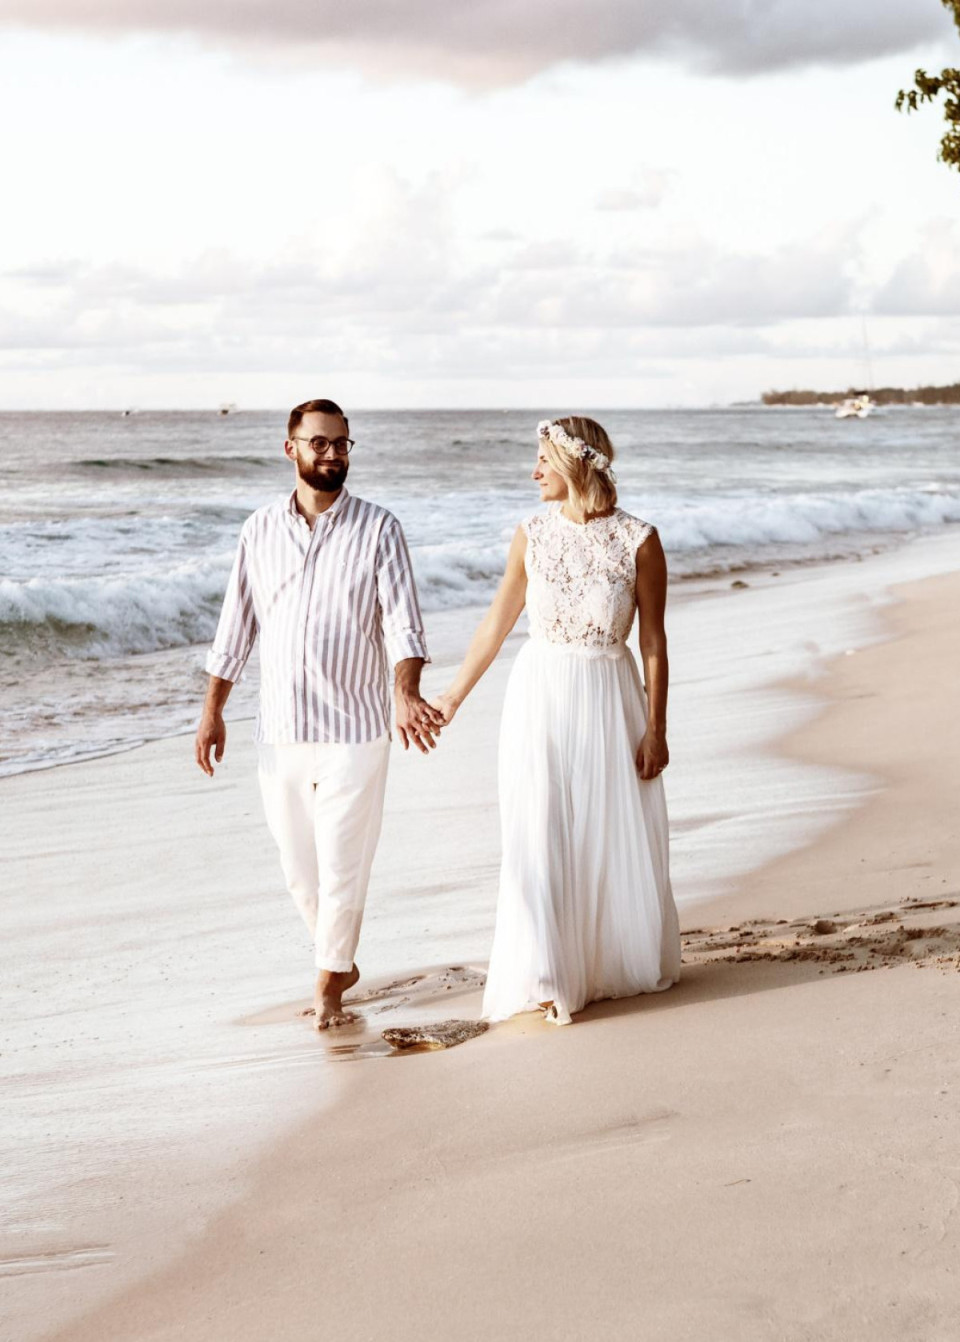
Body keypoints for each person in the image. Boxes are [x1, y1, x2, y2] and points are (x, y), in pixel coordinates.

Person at [195, 398, 443, 1029]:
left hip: (356, 730)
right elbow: (236, 629)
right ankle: (339, 956)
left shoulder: (379, 528)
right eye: (319, 444)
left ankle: (330, 980)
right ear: (292, 450)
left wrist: (406, 691)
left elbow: (403, 625)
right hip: (279, 731)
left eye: (341, 444)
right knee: (298, 871)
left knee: (342, 862)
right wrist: (212, 711)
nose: (332, 455)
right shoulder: (257, 531)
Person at [433, 416, 681, 1025]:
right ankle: (547, 969)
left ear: (574, 464)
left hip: (609, 695)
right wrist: (451, 698)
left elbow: (654, 643)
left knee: (603, 830)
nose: (534, 470)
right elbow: (496, 625)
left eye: (543, 459)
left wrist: (657, 728)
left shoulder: (639, 540)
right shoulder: (532, 534)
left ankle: (598, 962)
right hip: (540, 693)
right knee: (538, 826)